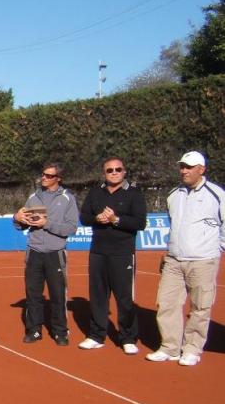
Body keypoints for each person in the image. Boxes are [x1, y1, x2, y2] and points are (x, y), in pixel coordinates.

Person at [147, 151, 225, 366]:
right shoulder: (174, 194)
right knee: (166, 303)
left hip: (203, 261)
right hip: (174, 260)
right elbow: (174, 224)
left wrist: (214, 249)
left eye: (189, 167)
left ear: (202, 169)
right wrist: (171, 249)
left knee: (200, 306)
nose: (184, 171)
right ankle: (170, 347)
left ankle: (192, 348)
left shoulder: (217, 195)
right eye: (182, 166)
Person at [78, 157, 147, 353]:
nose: (114, 173)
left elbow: (140, 223)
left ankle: (128, 338)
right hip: (98, 252)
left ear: (124, 171)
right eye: (110, 170)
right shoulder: (95, 193)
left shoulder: (134, 193)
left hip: (122, 253)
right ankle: (96, 335)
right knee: (98, 296)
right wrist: (97, 218)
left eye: (118, 169)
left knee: (124, 298)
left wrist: (115, 219)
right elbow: (84, 217)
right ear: (104, 173)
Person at [13, 162, 79, 345]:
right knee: (33, 294)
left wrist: (46, 224)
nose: (44, 178)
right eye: (43, 174)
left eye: (49, 176)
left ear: (58, 179)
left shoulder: (67, 199)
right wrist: (17, 219)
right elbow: (21, 224)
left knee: (58, 295)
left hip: (55, 253)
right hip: (34, 251)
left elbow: (71, 228)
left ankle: (60, 332)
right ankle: (34, 330)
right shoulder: (33, 197)